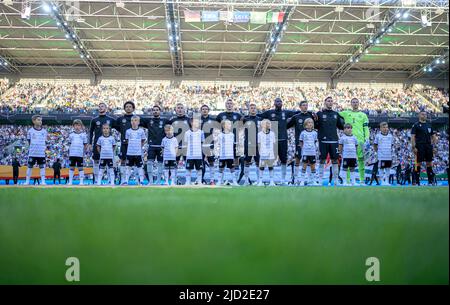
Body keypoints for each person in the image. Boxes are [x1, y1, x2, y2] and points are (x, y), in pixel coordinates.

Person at [259, 97, 297, 184]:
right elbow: (259, 116)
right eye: (277, 101)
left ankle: (283, 179)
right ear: (274, 103)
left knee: (283, 160)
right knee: (270, 160)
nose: (279, 102)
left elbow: (297, 113)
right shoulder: (269, 113)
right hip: (272, 141)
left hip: (283, 140)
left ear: (282, 103)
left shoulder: (286, 112)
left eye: (280, 101)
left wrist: (311, 113)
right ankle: (271, 180)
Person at [315, 96, 344, 186]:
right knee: (322, 160)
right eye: (328, 101)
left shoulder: (336, 114)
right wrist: (315, 120)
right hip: (323, 141)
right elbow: (316, 126)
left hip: (334, 141)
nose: (330, 102)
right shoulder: (319, 113)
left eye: (331, 101)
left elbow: (341, 127)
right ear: (325, 102)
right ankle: (320, 180)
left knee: (335, 161)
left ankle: (335, 181)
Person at [339, 98, 370, 183]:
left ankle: (362, 180)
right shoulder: (346, 113)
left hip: (360, 141)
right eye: (353, 102)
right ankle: (348, 181)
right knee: (348, 161)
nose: (355, 103)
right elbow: (335, 113)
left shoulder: (363, 115)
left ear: (359, 103)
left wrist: (367, 138)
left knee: (361, 160)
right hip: (348, 141)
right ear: (351, 103)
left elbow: (366, 128)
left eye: (356, 102)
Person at [287, 100, 315, 184]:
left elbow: (316, 125)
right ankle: (295, 178)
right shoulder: (296, 117)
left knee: (310, 161)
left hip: (310, 144)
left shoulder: (311, 115)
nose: (305, 106)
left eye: (306, 105)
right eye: (303, 105)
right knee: (298, 159)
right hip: (299, 143)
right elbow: (287, 126)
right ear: (300, 107)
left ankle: (310, 179)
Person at [216, 99, 243, 182]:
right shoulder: (220, 115)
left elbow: (242, 126)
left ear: (233, 105)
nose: (229, 105)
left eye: (231, 103)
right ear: (225, 105)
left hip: (235, 141)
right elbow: (216, 127)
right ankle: (221, 180)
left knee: (235, 159)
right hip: (224, 142)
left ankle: (236, 179)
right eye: (228, 103)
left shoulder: (238, 115)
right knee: (222, 160)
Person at [88, 102, 114, 184]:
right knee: (96, 161)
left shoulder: (111, 119)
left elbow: (120, 129)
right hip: (97, 144)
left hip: (108, 145)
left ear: (106, 108)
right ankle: (96, 180)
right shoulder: (94, 120)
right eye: (99, 106)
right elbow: (91, 132)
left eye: (102, 106)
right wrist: (89, 143)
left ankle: (110, 180)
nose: (100, 107)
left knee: (108, 163)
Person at [411, 110, 438, 186]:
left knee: (429, 163)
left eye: (425, 114)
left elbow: (433, 137)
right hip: (419, 146)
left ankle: (430, 181)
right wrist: (413, 147)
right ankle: (416, 181)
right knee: (418, 163)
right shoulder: (415, 125)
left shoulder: (429, 125)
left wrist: (434, 146)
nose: (424, 116)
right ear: (419, 116)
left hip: (428, 146)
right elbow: (413, 137)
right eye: (422, 114)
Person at [143, 105, 167, 185]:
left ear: (160, 111)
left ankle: (159, 181)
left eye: (157, 110)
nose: (155, 111)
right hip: (151, 146)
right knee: (149, 163)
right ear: (152, 111)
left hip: (161, 146)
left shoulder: (164, 121)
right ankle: (150, 181)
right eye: (154, 110)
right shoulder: (148, 121)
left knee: (160, 163)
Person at [114, 101, 136, 185]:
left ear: (133, 108)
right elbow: (116, 127)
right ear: (124, 108)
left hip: (134, 144)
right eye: (127, 106)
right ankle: (123, 179)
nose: (128, 108)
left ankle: (136, 179)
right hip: (124, 143)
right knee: (123, 161)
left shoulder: (136, 118)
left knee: (134, 162)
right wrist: (123, 132)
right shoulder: (120, 119)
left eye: (130, 106)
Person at [242, 103, 262, 185]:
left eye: (254, 108)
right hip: (248, 143)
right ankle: (246, 180)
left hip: (258, 143)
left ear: (256, 109)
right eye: (251, 108)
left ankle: (258, 180)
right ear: (249, 110)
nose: (253, 109)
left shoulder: (260, 119)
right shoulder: (245, 119)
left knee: (258, 162)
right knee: (247, 162)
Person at [24, 115, 48, 185]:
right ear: (33, 121)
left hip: (41, 153)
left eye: (41, 120)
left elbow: (45, 141)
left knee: (42, 167)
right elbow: (29, 142)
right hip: (32, 153)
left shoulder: (44, 131)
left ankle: (43, 181)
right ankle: (27, 181)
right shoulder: (30, 131)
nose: (40, 121)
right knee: (29, 166)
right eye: (38, 120)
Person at [124, 116, 146, 185]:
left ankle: (141, 181)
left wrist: (139, 146)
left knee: (140, 167)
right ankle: (126, 181)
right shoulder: (128, 131)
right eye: (132, 120)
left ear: (138, 122)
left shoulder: (141, 131)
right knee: (128, 167)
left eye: (136, 120)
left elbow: (143, 140)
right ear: (130, 122)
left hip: (138, 153)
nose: (134, 122)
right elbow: (127, 141)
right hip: (130, 152)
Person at [298, 118, 319, 186]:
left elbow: (315, 142)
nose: (310, 124)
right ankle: (302, 181)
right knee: (304, 166)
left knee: (313, 166)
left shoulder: (315, 133)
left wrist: (315, 149)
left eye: (311, 123)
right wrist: (303, 149)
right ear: (305, 125)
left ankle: (313, 181)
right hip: (305, 152)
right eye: (308, 123)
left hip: (312, 152)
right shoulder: (303, 133)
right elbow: (301, 142)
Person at [184, 117, 204, 185]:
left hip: (198, 154)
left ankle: (199, 182)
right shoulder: (187, 133)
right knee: (188, 169)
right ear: (191, 123)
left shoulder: (201, 132)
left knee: (199, 169)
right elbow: (185, 144)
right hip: (189, 154)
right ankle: (187, 182)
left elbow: (202, 143)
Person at [68, 119, 88, 185]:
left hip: (80, 154)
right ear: (73, 126)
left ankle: (81, 182)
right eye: (76, 125)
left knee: (80, 168)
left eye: (79, 125)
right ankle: (70, 181)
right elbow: (70, 144)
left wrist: (83, 153)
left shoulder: (83, 135)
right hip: (72, 154)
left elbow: (85, 145)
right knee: (71, 168)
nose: (77, 127)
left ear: (81, 126)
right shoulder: (71, 135)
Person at [217, 120, 237, 186]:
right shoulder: (220, 135)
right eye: (228, 124)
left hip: (230, 155)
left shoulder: (232, 135)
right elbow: (218, 145)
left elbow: (233, 145)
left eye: (230, 124)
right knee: (221, 168)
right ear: (223, 126)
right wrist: (217, 154)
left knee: (232, 169)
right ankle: (219, 181)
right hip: (222, 155)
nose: (230, 126)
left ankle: (234, 182)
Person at [200, 104, 216, 185]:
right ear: (201, 110)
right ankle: (201, 179)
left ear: (208, 110)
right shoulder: (197, 120)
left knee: (211, 162)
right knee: (201, 163)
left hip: (210, 144)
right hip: (199, 145)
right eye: (203, 109)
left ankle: (212, 180)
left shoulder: (213, 120)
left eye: (206, 109)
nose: (205, 110)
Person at [257, 119, 276, 186]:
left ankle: (271, 181)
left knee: (271, 167)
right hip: (263, 153)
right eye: (267, 123)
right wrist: (260, 152)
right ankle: (260, 181)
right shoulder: (259, 134)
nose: (269, 125)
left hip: (270, 153)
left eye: (269, 124)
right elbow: (259, 144)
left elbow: (273, 144)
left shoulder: (272, 133)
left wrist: (272, 152)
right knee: (262, 167)